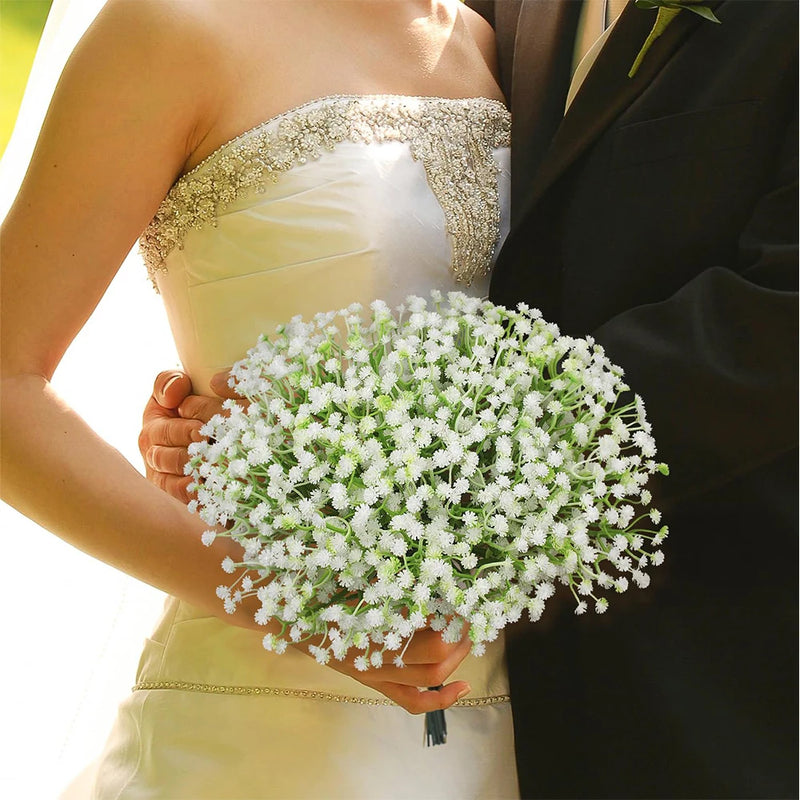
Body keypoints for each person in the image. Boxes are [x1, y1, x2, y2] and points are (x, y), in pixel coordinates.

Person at [142, 0, 799, 797]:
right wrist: (239, 427)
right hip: (456, 697)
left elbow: (777, 317)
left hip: (721, 677)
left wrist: (343, 460)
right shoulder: (490, 18)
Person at [0, 1, 521, 797]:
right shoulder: (170, 28)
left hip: (495, 728)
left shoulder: (495, 39)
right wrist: (305, 604)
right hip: (252, 727)